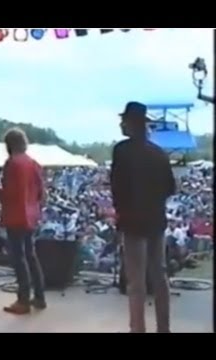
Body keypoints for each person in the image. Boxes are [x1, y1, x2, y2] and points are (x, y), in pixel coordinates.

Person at [111, 101, 176, 333]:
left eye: (123, 120)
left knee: (136, 282)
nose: (120, 124)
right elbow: (171, 188)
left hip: (132, 222)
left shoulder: (122, 150)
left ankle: (137, 329)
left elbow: (116, 187)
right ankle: (164, 328)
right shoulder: (159, 153)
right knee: (160, 276)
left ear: (131, 123)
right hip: (156, 221)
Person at [0, 127, 46, 315]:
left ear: (9, 144)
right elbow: (41, 193)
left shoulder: (12, 163)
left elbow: (10, 193)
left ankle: (23, 300)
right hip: (31, 215)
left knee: (18, 257)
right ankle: (39, 297)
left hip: (16, 215)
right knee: (31, 255)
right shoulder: (34, 163)